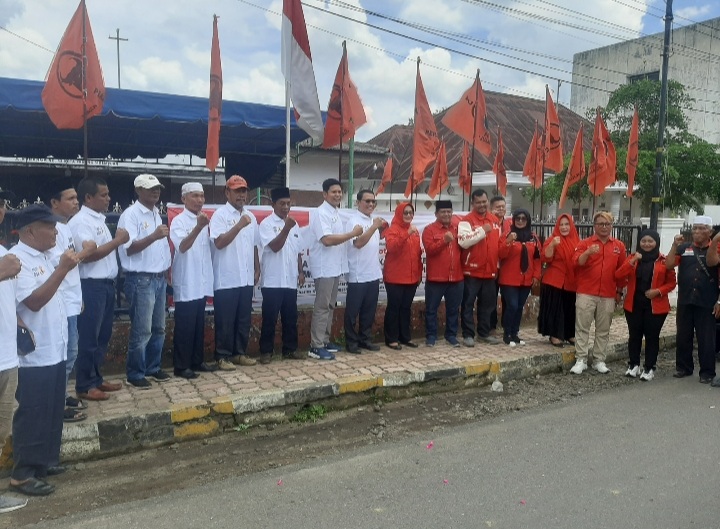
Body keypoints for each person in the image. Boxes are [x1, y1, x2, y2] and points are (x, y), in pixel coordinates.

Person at [9, 205, 81, 497]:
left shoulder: (46, 256)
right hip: (34, 353)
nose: (55, 232)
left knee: (52, 410)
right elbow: (34, 301)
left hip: (55, 346)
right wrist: (63, 269)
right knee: (34, 411)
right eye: (49, 227)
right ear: (29, 231)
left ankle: (45, 461)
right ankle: (23, 474)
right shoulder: (16, 260)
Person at [68, 177, 128, 401]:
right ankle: (84, 385)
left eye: (108, 194)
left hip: (106, 284)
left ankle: (96, 378)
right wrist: (118, 241)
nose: (108, 199)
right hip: (91, 285)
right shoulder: (81, 222)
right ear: (88, 198)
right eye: (103, 195)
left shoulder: (98, 220)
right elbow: (89, 256)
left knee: (102, 336)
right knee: (89, 337)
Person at [47, 180, 96, 422]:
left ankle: (61, 394)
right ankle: (55, 404)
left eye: (77, 198)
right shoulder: (50, 229)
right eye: (70, 198)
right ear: (54, 203)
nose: (76, 202)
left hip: (71, 298)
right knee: (65, 352)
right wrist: (87, 251)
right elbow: (61, 263)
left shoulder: (64, 228)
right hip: (59, 300)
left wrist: (79, 298)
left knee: (70, 352)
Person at [117, 174, 172, 388]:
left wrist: (166, 268)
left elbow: (160, 248)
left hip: (157, 278)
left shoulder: (156, 213)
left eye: (157, 188)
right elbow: (128, 248)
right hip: (141, 279)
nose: (155, 192)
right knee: (142, 329)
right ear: (138, 190)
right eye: (150, 188)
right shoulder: (130, 215)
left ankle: (153, 367)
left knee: (158, 327)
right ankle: (135, 373)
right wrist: (153, 236)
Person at [307, 178, 362, 360]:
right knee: (322, 306)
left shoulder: (335, 212)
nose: (337, 195)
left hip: (335, 267)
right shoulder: (320, 213)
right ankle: (315, 346)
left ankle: (324, 340)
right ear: (324, 194)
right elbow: (327, 240)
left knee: (330, 305)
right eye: (334, 192)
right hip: (324, 268)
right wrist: (352, 234)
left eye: (339, 192)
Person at [209, 175, 259, 370]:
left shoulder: (251, 216)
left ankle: (240, 353)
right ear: (227, 192)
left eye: (244, 191)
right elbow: (219, 243)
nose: (241, 195)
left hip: (246, 277)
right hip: (227, 278)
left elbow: (254, 245)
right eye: (237, 191)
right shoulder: (219, 215)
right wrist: (238, 225)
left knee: (243, 318)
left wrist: (257, 268)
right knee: (225, 320)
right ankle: (222, 356)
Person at [169, 182, 217, 379]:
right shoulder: (179, 221)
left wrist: (201, 224)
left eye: (202, 196)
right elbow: (182, 246)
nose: (199, 200)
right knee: (185, 326)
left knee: (198, 324)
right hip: (187, 280)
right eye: (195, 196)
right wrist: (198, 227)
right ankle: (181, 366)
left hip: (201, 279)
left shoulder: (203, 220)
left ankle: (196, 361)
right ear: (184, 199)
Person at [569, 211, 626, 375]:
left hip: (608, 294)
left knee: (603, 329)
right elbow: (576, 263)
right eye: (600, 223)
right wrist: (587, 253)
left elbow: (621, 271)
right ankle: (581, 359)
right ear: (594, 226)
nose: (604, 227)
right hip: (586, 292)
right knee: (582, 327)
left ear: (611, 226)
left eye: (607, 224)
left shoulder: (618, 246)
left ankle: (599, 360)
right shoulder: (585, 243)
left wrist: (619, 292)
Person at [615, 230, 676, 381]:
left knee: (651, 336)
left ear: (656, 242)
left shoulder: (664, 261)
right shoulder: (633, 258)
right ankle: (633, 365)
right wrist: (633, 260)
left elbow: (672, 283)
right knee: (634, 336)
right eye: (643, 241)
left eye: (650, 241)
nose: (647, 244)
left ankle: (649, 367)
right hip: (634, 304)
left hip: (656, 306)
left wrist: (658, 291)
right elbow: (618, 275)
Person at [0, 188, 28, 512]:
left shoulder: (3, 251)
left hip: (7, 357)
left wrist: (19, 322)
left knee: (2, 428)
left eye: (2, 203)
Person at [666, 215, 719, 383]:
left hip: (707, 301)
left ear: (710, 232)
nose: (697, 231)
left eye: (702, 228)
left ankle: (707, 372)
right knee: (683, 336)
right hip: (686, 299)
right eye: (694, 228)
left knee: (706, 339)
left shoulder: (716, 249)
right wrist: (674, 245)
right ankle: (684, 367)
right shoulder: (684, 248)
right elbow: (668, 264)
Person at [258, 187, 305, 362]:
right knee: (269, 319)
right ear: (273, 204)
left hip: (290, 280)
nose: (286, 207)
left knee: (290, 318)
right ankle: (266, 352)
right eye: (282, 203)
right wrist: (286, 228)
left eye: (288, 203)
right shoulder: (266, 224)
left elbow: (298, 251)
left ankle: (290, 350)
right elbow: (275, 247)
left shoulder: (294, 225)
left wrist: (300, 272)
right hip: (272, 281)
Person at [344, 190, 386, 354]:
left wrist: (376, 226)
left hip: (373, 273)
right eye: (367, 201)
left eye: (373, 202)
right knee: (352, 312)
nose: (370, 204)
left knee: (369, 311)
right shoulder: (354, 221)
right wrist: (374, 227)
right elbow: (358, 243)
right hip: (358, 274)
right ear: (358, 203)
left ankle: (365, 339)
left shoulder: (372, 220)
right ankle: (351, 342)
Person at [458, 189, 501, 346]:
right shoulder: (466, 220)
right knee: (468, 304)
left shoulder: (494, 220)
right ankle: (468, 334)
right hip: (471, 271)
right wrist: (482, 231)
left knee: (488, 305)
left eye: (484, 202)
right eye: (478, 202)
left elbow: (497, 246)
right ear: (472, 203)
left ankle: (484, 333)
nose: (482, 205)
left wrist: (496, 267)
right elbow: (463, 241)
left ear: (488, 201)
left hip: (489, 271)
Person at [421, 200, 463, 347]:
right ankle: (431, 336)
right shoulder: (429, 230)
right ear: (436, 214)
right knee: (431, 309)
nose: (446, 214)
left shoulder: (458, 228)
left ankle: (451, 335)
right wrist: (444, 241)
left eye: (449, 211)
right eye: (443, 212)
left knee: (453, 309)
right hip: (436, 278)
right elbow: (430, 250)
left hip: (456, 277)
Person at [497, 209, 541, 347]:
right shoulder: (507, 235)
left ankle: (515, 333)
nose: (520, 221)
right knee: (512, 305)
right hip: (509, 279)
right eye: (518, 218)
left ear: (527, 221)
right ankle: (507, 333)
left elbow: (537, 259)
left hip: (526, 279)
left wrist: (536, 276)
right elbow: (500, 254)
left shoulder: (533, 238)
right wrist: (509, 241)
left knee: (519, 307)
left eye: (523, 218)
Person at [383, 202, 422, 350]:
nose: (408, 215)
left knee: (406, 308)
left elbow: (418, 254)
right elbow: (392, 248)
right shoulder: (392, 229)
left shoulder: (415, 231)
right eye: (405, 212)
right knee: (394, 307)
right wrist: (407, 234)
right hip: (395, 277)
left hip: (411, 278)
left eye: (410, 213)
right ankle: (391, 338)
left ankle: (405, 337)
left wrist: (419, 273)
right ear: (399, 213)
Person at [537, 214, 579, 347]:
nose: (564, 227)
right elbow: (546, 258)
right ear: (557, 226)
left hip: (571, 281)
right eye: (561, 224)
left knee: (570, 308)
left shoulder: (577, 241)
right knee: (555, 309)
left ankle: (569, 334)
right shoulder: (552, 239)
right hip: (554, 280)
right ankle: (554, 335)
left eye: (567, 224)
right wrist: (553, 245)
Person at [489, 196, 510, 334]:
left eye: (503, 206)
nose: (501, 209)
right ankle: (490, 327)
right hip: (491, 267)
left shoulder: (510, 224)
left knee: (507, 298)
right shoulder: (488, 223)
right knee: (490, 298)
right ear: (491, 209)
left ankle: (506, 325)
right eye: (498, 207)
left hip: (507, 267)